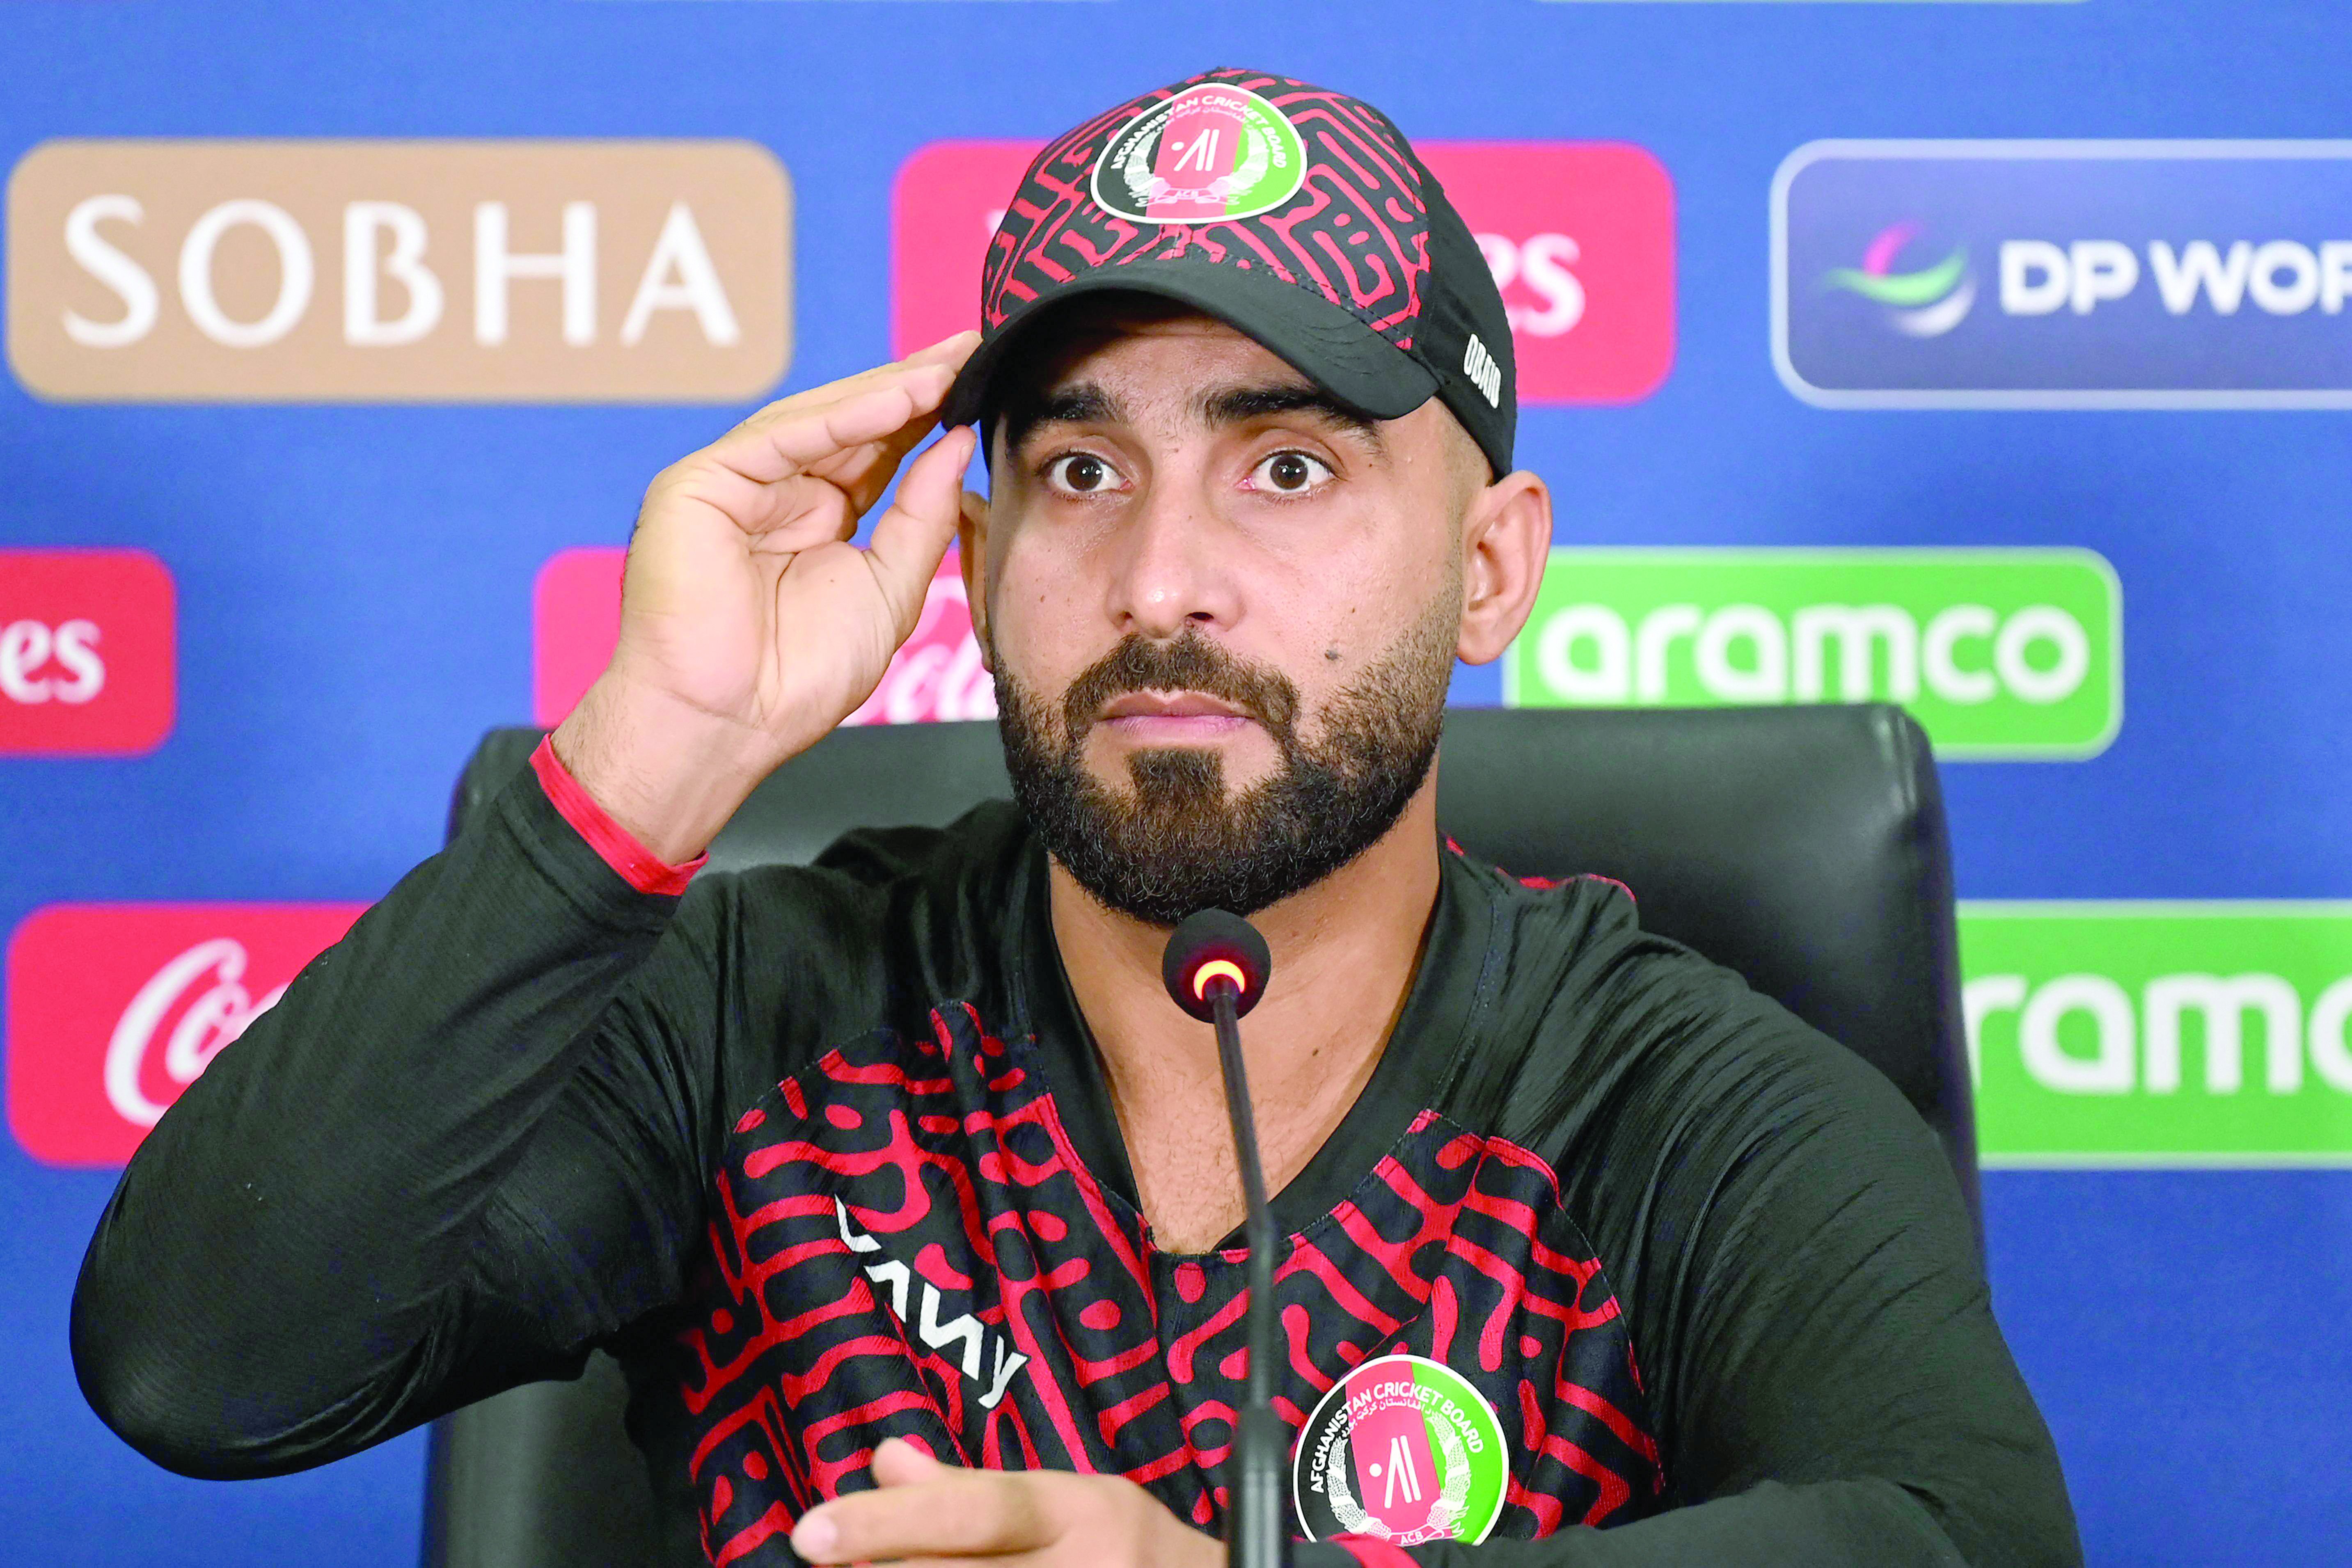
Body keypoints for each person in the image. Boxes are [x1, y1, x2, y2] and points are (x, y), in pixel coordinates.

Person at [72, 67, 2079, 1568]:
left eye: (1284, 469)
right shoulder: (762, 1010)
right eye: (1080, 472)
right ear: (973, 549)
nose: (1158, 585)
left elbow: (1974, 1535)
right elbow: (198, 1363)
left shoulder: (1670, 1097)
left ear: (1488, 566)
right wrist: (651, 757)